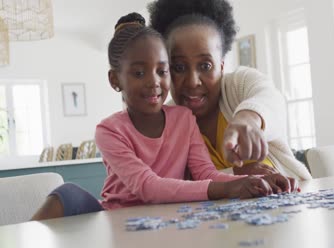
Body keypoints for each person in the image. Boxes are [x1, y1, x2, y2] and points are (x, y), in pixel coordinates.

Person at [31, 13, 297, 220]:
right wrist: (231, 187)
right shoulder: (108, 130)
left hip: (170, 218)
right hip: (116, 220)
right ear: (115, 80)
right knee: (67, 194)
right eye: (138, 73)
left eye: (162, 71)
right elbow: (148, 186)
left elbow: (206, 174)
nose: (153, 82)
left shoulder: (183, 118)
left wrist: (254, 182)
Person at [148, 0, 312, 180]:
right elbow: (179, 186)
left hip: (292, 198)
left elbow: (271, 100)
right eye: (179, 68)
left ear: (221, 66)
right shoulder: (167, 124)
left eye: (205, 65)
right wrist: (236, 174)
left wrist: (248, 119)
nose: (193, 82)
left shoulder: (238, 85)